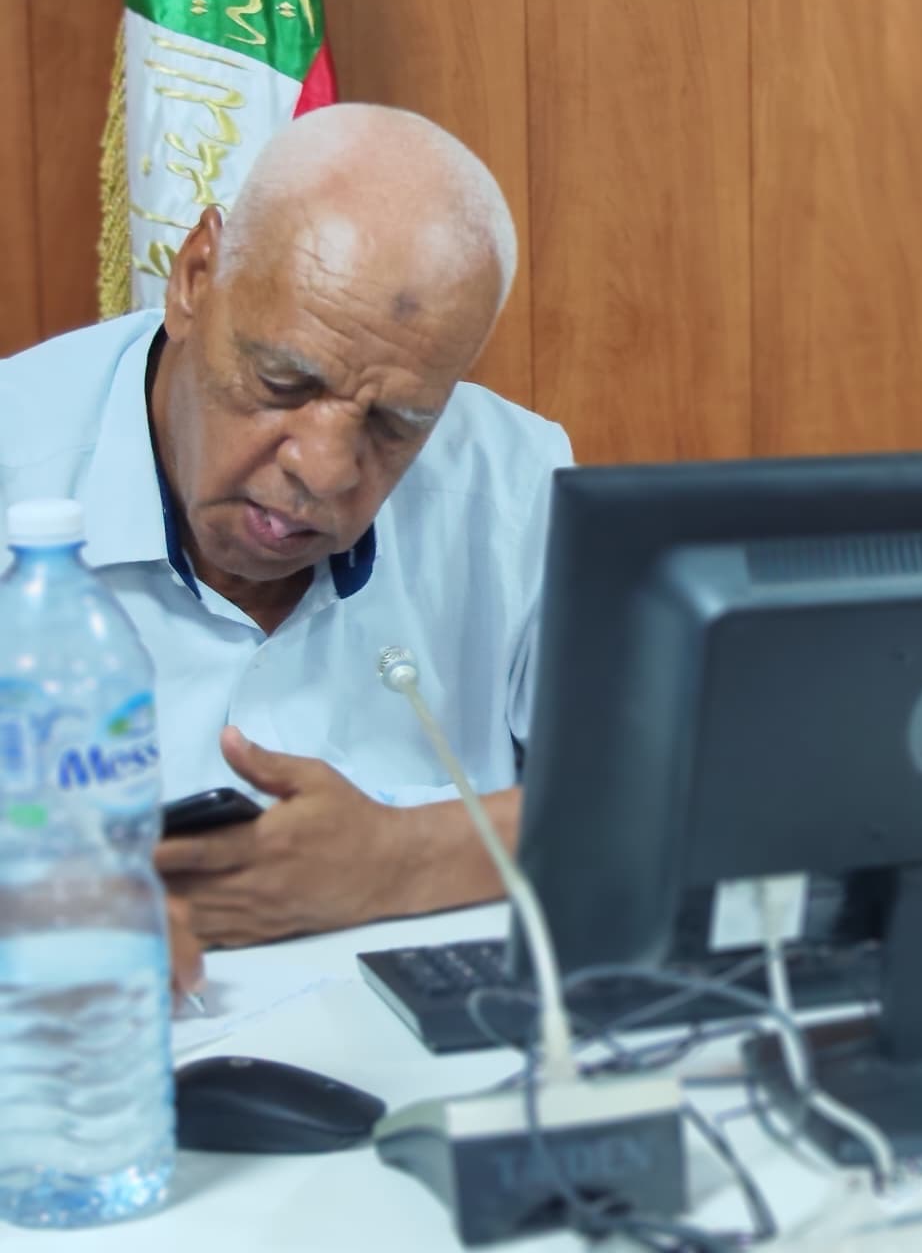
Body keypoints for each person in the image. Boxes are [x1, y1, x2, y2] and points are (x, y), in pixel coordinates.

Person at [0, 105, 570, 961]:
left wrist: (402, 861)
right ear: (196, 278)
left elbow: (674, 796)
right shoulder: (19, 462)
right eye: (283, 383)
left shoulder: (512, 483)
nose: (325, 471)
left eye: (395, 425)